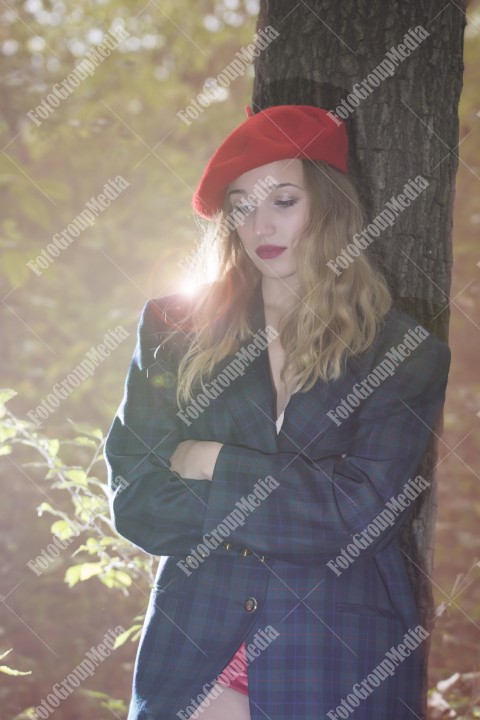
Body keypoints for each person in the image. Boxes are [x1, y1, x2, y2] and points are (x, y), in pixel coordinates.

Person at [105, 105, 451, 720]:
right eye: (241, 205)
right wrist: (298, 503)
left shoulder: (404, 352)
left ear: (331, 204)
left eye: (284, 201)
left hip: (337, 650)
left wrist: (209, 459)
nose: (260, 224)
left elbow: (357, 516)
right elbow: (137, 501)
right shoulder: (173, 329)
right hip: (194, 646)